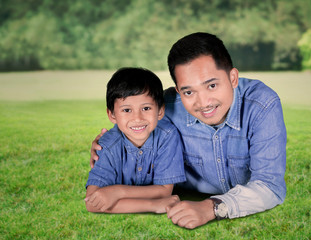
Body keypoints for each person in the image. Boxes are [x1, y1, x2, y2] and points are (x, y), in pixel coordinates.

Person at [90, 32, 287, 229]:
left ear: (233, 78)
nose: (203, 103)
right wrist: (105, 143)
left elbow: (270, 186)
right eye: (189, 92)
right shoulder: (166, 107)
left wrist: (212, 208)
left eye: (211, 85)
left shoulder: (261, 105)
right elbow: (129, 117)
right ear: (178, 91)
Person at [85, 67, 186, 214]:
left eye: (146, 108)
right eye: (127, 110)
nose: (137, 118)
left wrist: (117, 192)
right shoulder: (107, 145)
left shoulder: (167, 136)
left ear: (160, 111)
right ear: (112, 115)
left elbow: (164, 191)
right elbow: (91, 203)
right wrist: (153, 205)